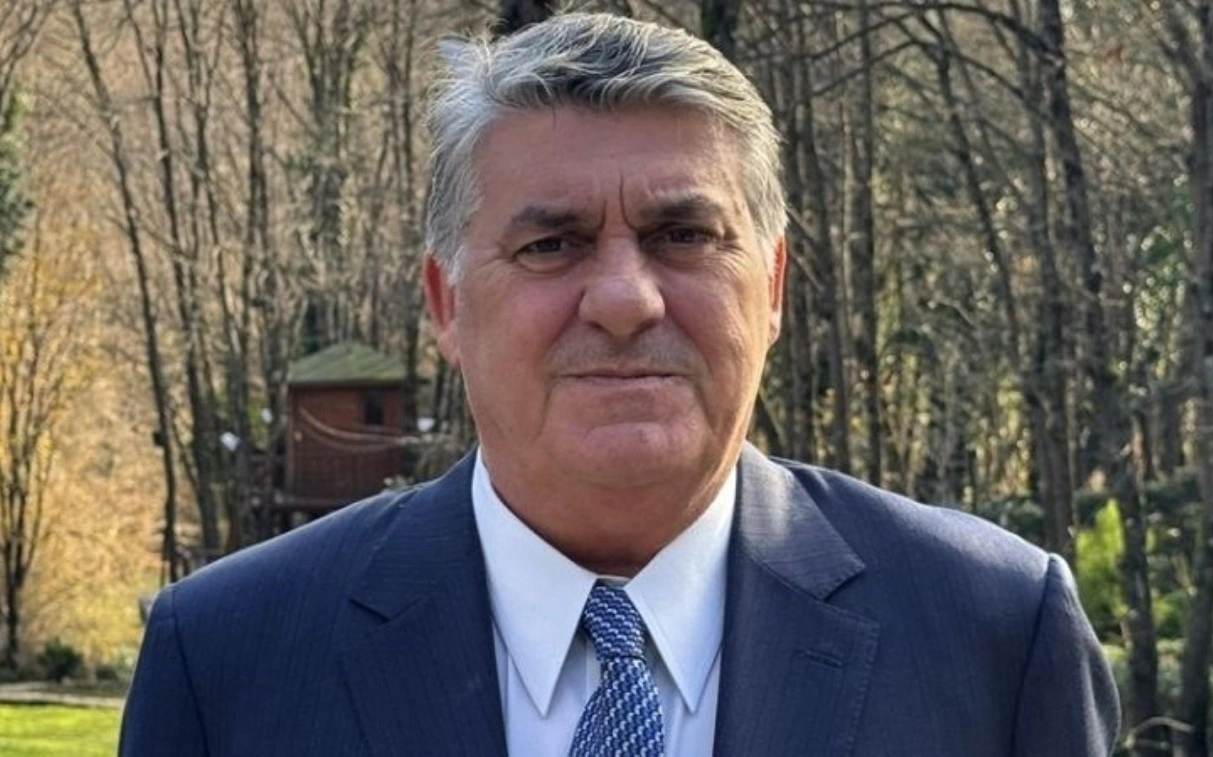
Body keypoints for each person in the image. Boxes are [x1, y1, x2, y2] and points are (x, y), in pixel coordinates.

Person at [120, 12, 1119, 756]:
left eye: (682, 234)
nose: (625, 299)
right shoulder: (229, 659)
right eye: (551, 243)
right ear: (447, 303)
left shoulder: (991, 635)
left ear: (771, 287)